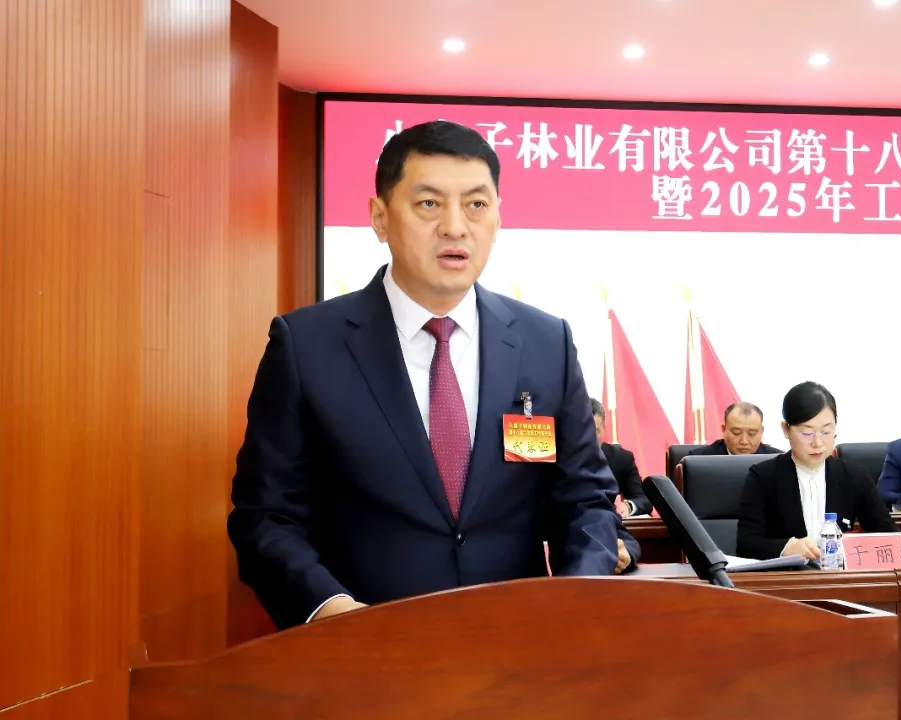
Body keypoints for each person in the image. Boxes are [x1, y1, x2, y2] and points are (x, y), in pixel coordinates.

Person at [228, 120, 624, 630]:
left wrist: (576, 598)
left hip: (519, 645)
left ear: (497, 218)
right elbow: (266, 516)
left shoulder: (546, 343)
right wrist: (332, 612)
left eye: (476, 204)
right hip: (363, 647)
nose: (456, 227)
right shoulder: (307, 346)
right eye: (429, 203)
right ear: (380, 217)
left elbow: (585, 502)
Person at [736, 381, 897, 561]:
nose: (817, 443)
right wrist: (785, 548)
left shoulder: (854, 476)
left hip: (839, 574)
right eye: (807, 433)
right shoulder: (763, 477)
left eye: (826, 431)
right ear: (786, 429)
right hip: (788, 575)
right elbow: (745, 544)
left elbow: (890, 535)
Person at [590, 399, 652, 517]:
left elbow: (643, 500)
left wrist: (627, 506)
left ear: (604, 429)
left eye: (596, 431)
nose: (590, 438)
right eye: (585, 432)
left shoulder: (621, 459)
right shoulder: (560, 458)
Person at [686, 402, 783, 457]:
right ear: (724, 429)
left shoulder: (777, 460)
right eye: (736, 433)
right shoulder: (698, 459)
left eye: (752, 433)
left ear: (761, 431)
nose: (744, 441)